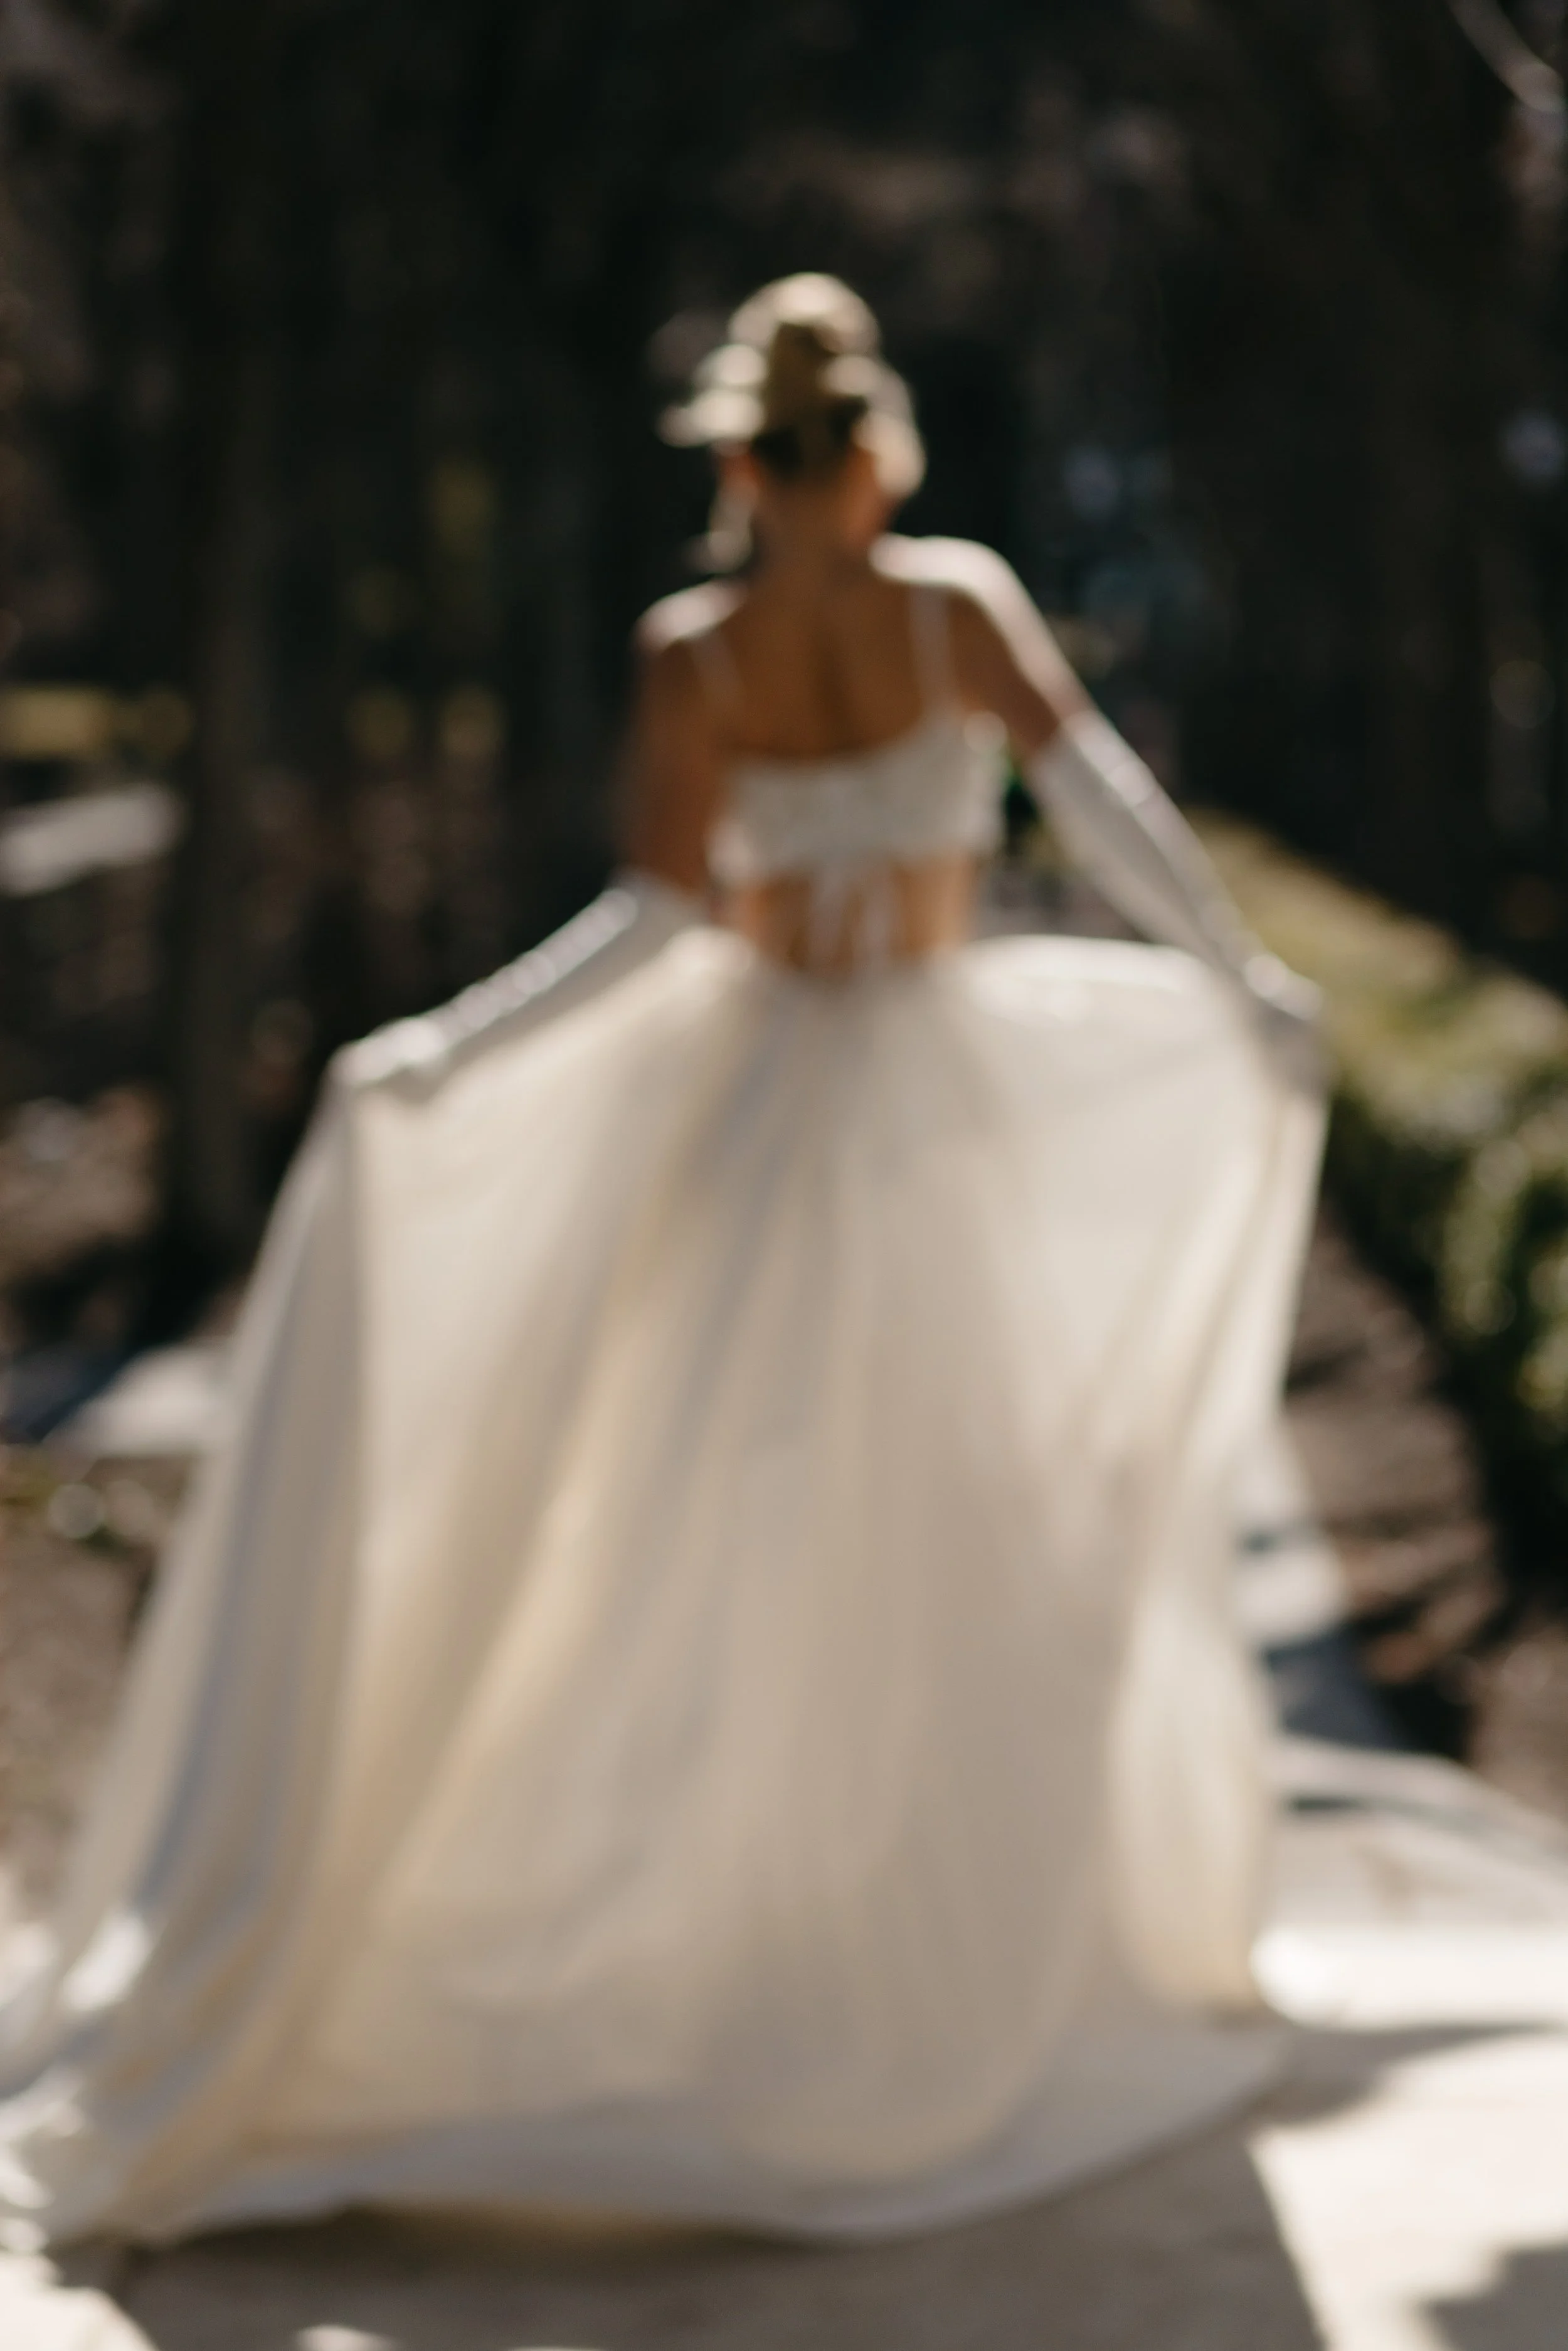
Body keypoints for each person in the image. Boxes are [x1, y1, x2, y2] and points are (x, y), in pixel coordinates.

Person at [0, 275, 1324, 2249]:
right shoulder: (946, 598)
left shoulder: (701, 642)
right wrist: (1227, 964)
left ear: (731, 460)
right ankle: (891, 1975)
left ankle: (793, 1960)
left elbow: (645, 917)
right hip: (905, 1120)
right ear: (867, 450)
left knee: (741, 1546)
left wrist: (457, 1039)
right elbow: (1102, 805)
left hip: (775, 1109)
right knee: (949, 1534)